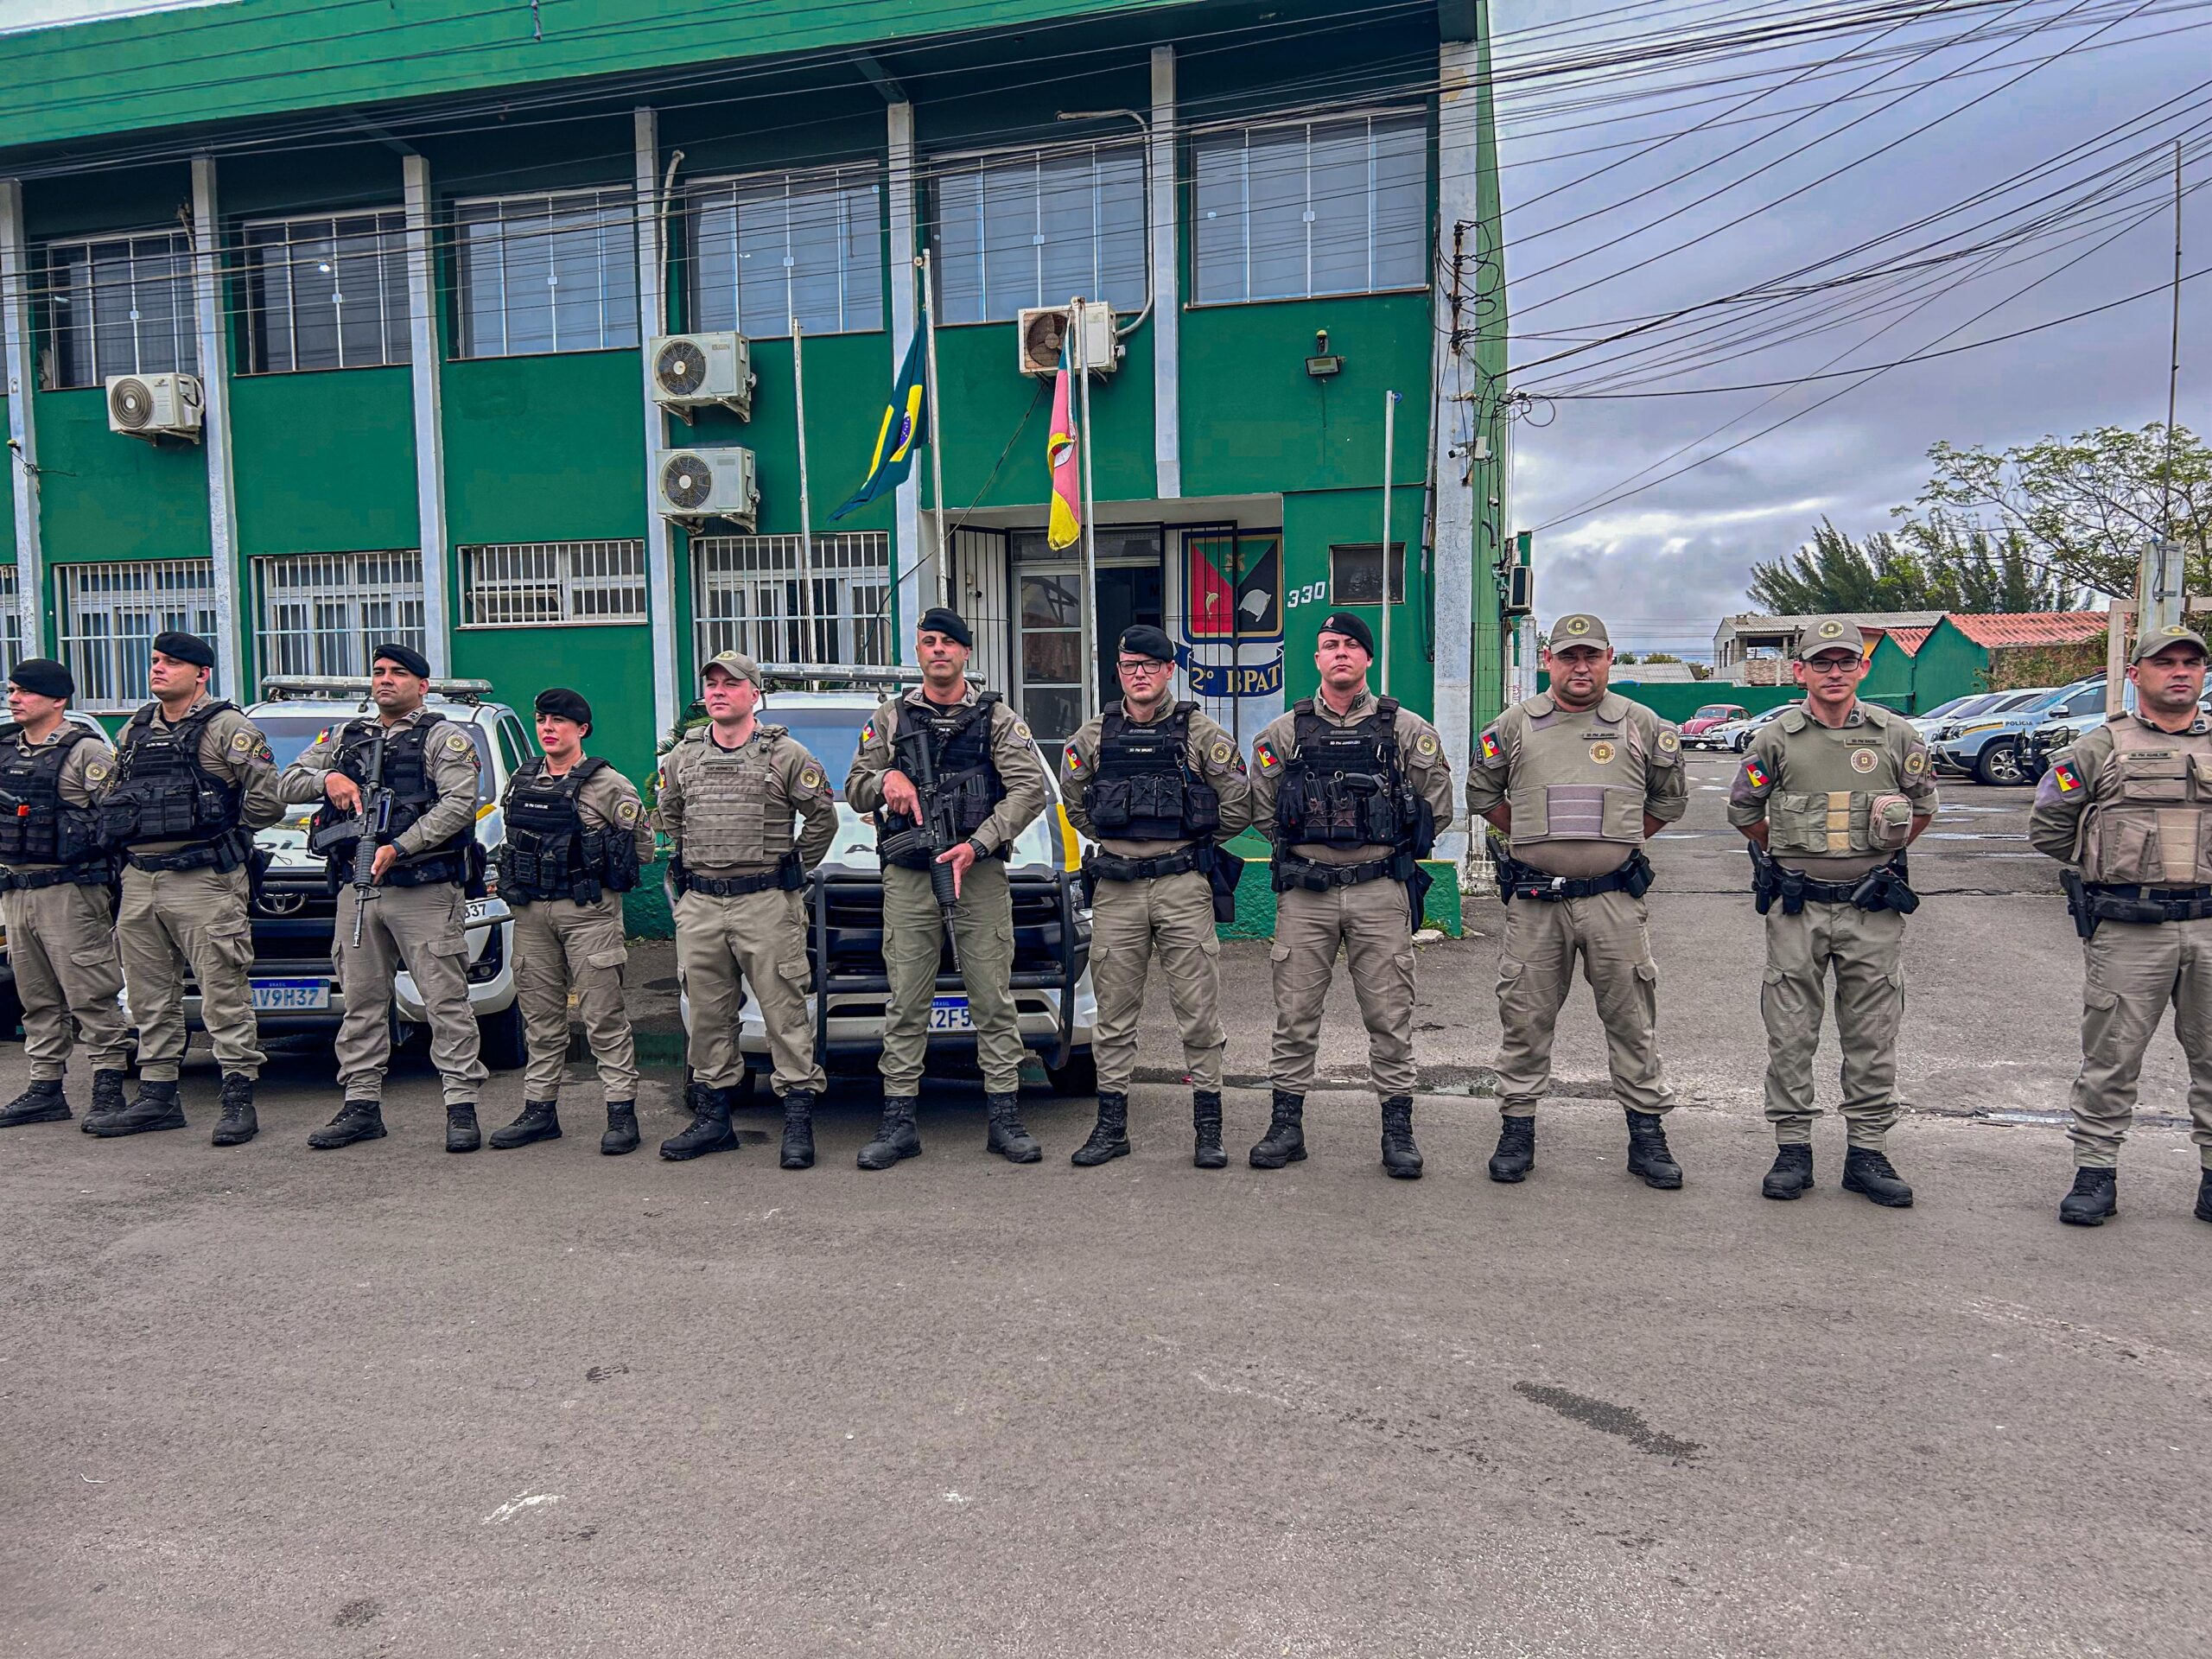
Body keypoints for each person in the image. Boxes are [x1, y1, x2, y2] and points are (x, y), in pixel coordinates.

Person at [1465, 613, 1688, 1190]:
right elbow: (1482, 791)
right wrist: (1531, 837)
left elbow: (1668, 800)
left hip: (1614, 901)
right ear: (1549, 661)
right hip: (1536, 903)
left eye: (1591, 655)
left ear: (1610, 658)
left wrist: (1617, 842)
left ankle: (1648, 1139)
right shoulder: (1514, 725)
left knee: (1633, 1021)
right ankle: (1517, 1133)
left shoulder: (1641, 723)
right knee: (1525, 1019)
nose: (1580, 666)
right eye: (1568, 656)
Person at [1728, 617, 1935, 1209]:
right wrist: (1794, 858)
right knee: (1791, 1034)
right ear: (1801, 672)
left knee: (1872, 1032)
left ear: (1863, 668)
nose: (1835, 672)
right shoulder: (1775, 739)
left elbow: (1922, 809)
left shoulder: (1896, 737)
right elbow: (1746, 813)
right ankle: (1793, 1149)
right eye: (1822, 662)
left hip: (1873, 911)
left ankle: (1867, 1152)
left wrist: (1877, 860)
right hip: (1798, 909)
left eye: (1846, 661)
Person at [1245, 612, 1453, 1178]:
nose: (1339, 654)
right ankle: (1286, 1128)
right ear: (1316, 659)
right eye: (1329, 646)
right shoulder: (1285, 732)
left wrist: (1385, 837)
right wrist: (1308, 843)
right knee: (1294, 1017)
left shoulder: (1405, 729)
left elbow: (1439, 805)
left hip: (1379, 891)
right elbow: (1259, 808)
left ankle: (1398, 1133)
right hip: (1305, 896)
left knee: (1390, 1017)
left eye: (1350, 646)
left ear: (1366, 658)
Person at [845, 607, 1051, 1170]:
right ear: (919, 650)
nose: (937, 650)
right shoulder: (889, 718)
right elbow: (855, 786)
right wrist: (885, 777)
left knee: (991, 997)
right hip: (910, 877)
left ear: (965, 653)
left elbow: (1029, 789)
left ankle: (1005, 1117)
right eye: (928, 641)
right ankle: (899, 1121)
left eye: (948, 643)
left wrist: (979, 843)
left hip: (977, 875)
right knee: (907, 1001)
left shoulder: (998, 718)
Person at [2030, 623, 2212, 1228]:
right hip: (2131, 926)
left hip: (2210, 925)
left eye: (2192, 662)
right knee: (2112, 1055)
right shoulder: (2100, 747)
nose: (2180, 672)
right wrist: (2109, 867)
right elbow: (2050, 824)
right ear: (2137, 675)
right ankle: (2095, 1174)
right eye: (2166, 663)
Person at [1058, 624, 1253, 1168]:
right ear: (1119, 671)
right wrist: (1118, 839)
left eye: (1150, 665)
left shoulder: (1200, 734)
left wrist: (1190, 845)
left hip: (1181, 886)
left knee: (1198, 1010)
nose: (1139, 675)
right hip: (1118, 888)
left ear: (1170, 670)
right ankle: (1111, 1126)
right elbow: (1075, 805)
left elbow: (1238, 804)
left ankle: (1208, 1129)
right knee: (1115, 1013)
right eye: (1129, 666)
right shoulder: (1094, 736)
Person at [280, 643, 488, 1151]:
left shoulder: (445, 737)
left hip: (423, 889)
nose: (385, 680)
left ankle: (461, 1107)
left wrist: (401, 845)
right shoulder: (345, 738)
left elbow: (460, 805)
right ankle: (361, 1105)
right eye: (378, 673)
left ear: (422, 684)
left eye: (398, 673)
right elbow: (285, 781)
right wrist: (329, 777)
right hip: (358, 888)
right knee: (361, 1001)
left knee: (445, 1001)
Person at [653, 651, 838, 1167]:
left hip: (766, 904)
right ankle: (714, 1120)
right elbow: (671, 816)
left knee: (784, 1014)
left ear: (753, 694)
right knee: (709, 1016)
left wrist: (789, 873)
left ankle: (798, 1123)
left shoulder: (786, 755)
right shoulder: (682, 759)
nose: (717, 691)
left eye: (730, 684)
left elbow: (822, 820)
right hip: (703, 905)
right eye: (710, 683)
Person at [95, 632, 283, 1144]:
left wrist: (223, 831)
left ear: (201, 674)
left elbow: (268, 800)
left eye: (171, 663)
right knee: (150, 996)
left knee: (224, 990)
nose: (158, 669)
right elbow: (115, 794)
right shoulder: (135, 729)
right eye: (155, 661)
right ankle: (158, 1096)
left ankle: (238, 1096)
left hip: (205, 878)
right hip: (140, 879)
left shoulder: (227, 728)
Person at [486, 689, 656, 1155]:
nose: (547, 728)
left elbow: (641, 848)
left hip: (588, 914)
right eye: (541, 719)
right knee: (540, 1019)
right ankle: (540, 1111)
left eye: (559, 720)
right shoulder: (522, 780)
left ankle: (621, 1112)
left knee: (602, 1015)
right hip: (530, 914)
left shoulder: (609, 785)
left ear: (581, 729)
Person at [0, 658, 130, 1131]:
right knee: (35, 998)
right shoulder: (5, 750)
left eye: (26, 692)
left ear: (58, 700)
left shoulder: (87, 752)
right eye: (12, 690)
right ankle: (45, 1086)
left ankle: (109, 1082)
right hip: (16, 889)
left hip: (71, 890)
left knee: (90, 993)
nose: (14, 698)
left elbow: (118, 819)